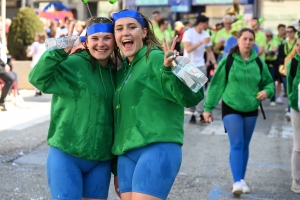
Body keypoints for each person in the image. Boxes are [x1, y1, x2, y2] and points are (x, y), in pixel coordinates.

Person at [111, 9, 204, 200]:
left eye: (132, 27)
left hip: (158, 147)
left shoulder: (158, 56)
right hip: (126, 153)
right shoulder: (122, 70)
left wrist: (174, 67)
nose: (125, 33)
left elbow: (198, 88)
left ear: (144, 32)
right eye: (119, 28)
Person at [28, 17, 121, 200]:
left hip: (100, 160)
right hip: (66, 155)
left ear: (114, 40)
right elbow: (37, 79)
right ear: (86, 40)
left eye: (107, 38)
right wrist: (58, 52)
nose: (100, 44)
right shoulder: (73, 64)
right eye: (95, 38)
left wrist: (116, 168)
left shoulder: (117, 73)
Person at [203, 28, 274, 196]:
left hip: (251, 108)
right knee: (237, 143)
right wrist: (208, 108)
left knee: (245, 145)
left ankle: (242, 179)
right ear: (238, 40)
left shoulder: (259, 62)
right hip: (231, 107)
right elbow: (216, 86)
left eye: (251, 39)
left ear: (254, 41)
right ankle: (236, 182)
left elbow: (268, 83)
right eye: (245, 39)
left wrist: (267, 92)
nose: (248, 42)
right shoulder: (228, 60)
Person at [182, 14, 217, 123]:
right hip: (188, 65)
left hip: (201, 65)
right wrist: (201, 42)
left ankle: (201, 113)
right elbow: (188, 48)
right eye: (207, 23)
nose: (208, 26)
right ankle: (192, 114)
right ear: (201, 23)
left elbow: (209, 51)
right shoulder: (188, 33)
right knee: (190, 91)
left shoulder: (206, 34)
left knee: (202, 91)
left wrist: (215, 63)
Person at [286, 36, 300, 194]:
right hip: (297, 107)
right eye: (297, 45)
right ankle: (295, 180)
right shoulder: (293, 63)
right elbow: (289, 85)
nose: (299, 48)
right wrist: (293, 101)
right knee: (298, 145)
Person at [278, 26, 297, 120]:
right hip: (285, 70)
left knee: (294, 90)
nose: (289, 33)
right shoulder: (283, 43)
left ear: (294, 32)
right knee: (289, 90)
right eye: (287, 32)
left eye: (291, 31)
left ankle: (291, 110)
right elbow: (280, 55)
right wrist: (283, 63)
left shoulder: (297, 42)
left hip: (296, 68)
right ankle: (290, 110)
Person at [27, 32, 47, 96]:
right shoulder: (46, 44)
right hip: (43, 62)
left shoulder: (35, 44)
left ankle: (37, 90)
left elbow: (30, 53)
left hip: (36, 62)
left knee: (35, 77)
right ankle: (40, 89)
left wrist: (28, 51)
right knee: (42, 76)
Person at [264, 29, 278, 106]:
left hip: (271, 65)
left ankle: (272, 99)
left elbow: (274, 51)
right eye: (267, 36)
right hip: (264, 63)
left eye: (270, 36)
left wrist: (267, 51)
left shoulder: (274, 42)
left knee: (272, 81)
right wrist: (268, 51)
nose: (269, 37)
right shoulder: (262, 42)